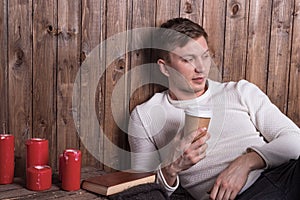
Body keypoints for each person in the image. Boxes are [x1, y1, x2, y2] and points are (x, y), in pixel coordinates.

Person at [128, 17, 300, 200]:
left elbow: (295, 139)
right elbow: (142, 189)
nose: (201, 68)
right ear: (165, 68)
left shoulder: (239, 91)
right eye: (188, 60)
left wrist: (248, 161)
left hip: (284, 177)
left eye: (205, 56)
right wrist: (172, 168)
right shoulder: (145, 115)